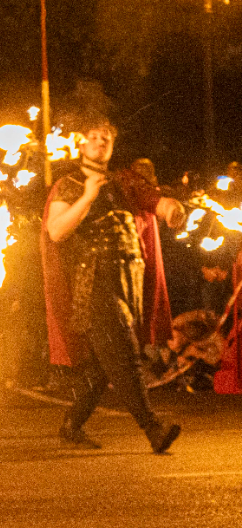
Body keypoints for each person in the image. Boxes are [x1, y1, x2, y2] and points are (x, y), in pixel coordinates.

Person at [41, 115, 185, 453]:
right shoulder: (69, 184)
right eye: (93, 136)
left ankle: (72, 425)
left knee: (100, 367)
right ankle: (154, 429)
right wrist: (87, 197)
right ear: (81, 142)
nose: (100, 141)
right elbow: (56, 231)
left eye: (106, 137)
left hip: (127, 285)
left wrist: (171, 209)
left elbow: (155, 201)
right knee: (124, 357)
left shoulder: (124, 182)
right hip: (93, 286)